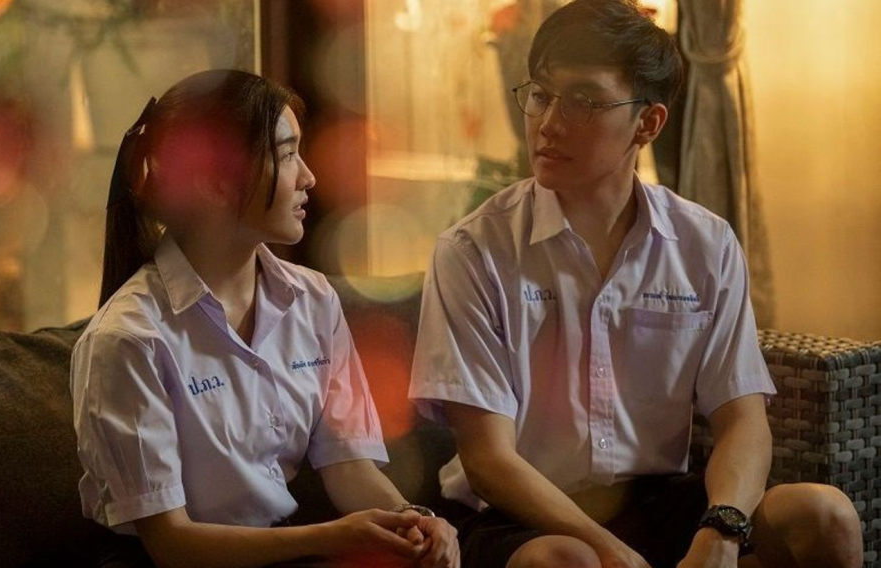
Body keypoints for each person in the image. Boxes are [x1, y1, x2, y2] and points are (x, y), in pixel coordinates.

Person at [407, 1, 863, 567]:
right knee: (569, 562)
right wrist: (615, 554)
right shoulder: (473, 250)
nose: (548, 123)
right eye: (541, 95)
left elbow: (743, 421)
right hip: (519, 514)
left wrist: (721, 532)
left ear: (647, 123)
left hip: (656, 501)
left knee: (825, 515)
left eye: (582, 101)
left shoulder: (705, 244)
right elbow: (489, 461)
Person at [71, 69, 459, 568]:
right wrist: (331, 538)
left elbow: (349, 467)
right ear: (213, 184)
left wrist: (413, 522)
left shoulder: (313, 300)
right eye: (287, 154)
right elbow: (171, 543)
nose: (309, 177)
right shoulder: (128, 339)